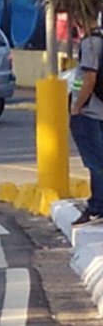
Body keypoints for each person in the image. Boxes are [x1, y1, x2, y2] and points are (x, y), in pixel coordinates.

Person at [69, 13, 103, 226]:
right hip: (99, 110)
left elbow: (89, 78)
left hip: (89, 112)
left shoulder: (90, 43)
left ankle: (96, 206)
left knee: (96, 162)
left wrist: (76, 107)